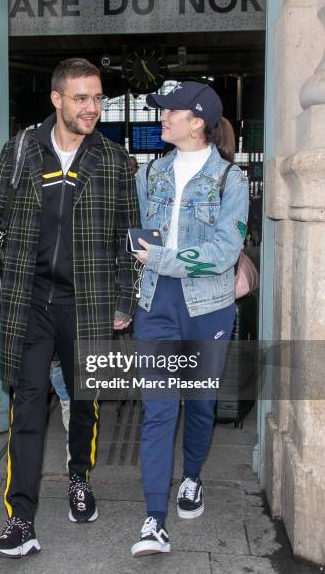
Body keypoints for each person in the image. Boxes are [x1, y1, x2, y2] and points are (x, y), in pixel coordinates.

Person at [0, 58, 140, 559]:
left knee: (85, 401)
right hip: (28, 299)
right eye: (81, 98)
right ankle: (21, 518)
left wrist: (124, 299)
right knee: (27, 405)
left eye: (98, 97)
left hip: (88, 301)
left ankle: (79, 480)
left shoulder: (112, 158)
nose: (92, 107)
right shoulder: (20, 150)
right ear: (57, 100)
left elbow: (129, 238)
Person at [130, 81, 249, 557]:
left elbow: (224, 253)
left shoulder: (230, 181)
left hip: (209, 306)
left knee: (200, 403)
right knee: (158, 410)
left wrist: (161, 258)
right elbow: (139, 235)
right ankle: (153, 518)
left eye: (170, 111)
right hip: (156, 304)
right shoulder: (152, 173)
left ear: (197, 121)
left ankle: (192, 479)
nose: (162, 118)